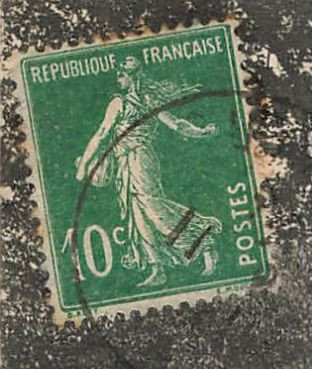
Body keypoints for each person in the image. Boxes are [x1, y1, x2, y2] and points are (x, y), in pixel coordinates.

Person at [75, 56, 223, 288]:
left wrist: (201, 132)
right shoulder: (117, 102)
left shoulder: (146, 100)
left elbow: (175, 123)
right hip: (124, 162)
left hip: (142, 159)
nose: (118, 79)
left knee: (153, 207)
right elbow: (102, 132)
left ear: (133, 77)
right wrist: (85, 163)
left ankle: (203, 238)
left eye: (122, 74)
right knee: (137, 214)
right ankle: (157, 268)